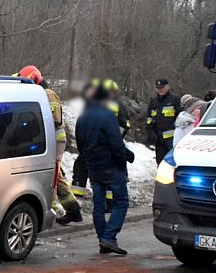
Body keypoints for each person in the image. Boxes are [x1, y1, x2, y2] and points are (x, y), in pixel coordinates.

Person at [17, 66, 82, 225]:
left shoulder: (48, 94)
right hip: (47, 140)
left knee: (53, 175)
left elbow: (53, 120)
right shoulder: (39, 93)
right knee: (57, 175)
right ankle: (73, 210)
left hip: (55, 140)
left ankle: (55, 212)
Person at [76, 85, 135, 255]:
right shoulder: (108, 116)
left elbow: (81, 144)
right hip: (111, 167)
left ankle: (104, 239)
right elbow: (116, 144)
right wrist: (122, 161)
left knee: (99, 205)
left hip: (93, 167)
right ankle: (109, 238)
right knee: (121, 202)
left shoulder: (82, 118)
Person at [147, 79, 182, 164]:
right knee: (160, 162)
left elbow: (181, 117)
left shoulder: (175, 100)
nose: (160, 90)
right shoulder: (153, 101)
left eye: (162, 87)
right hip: (158, 139)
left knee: (173, 161)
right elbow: (149, 118)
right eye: (158, 88)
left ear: (167, 87)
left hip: (172, 138)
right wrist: (150, 131)